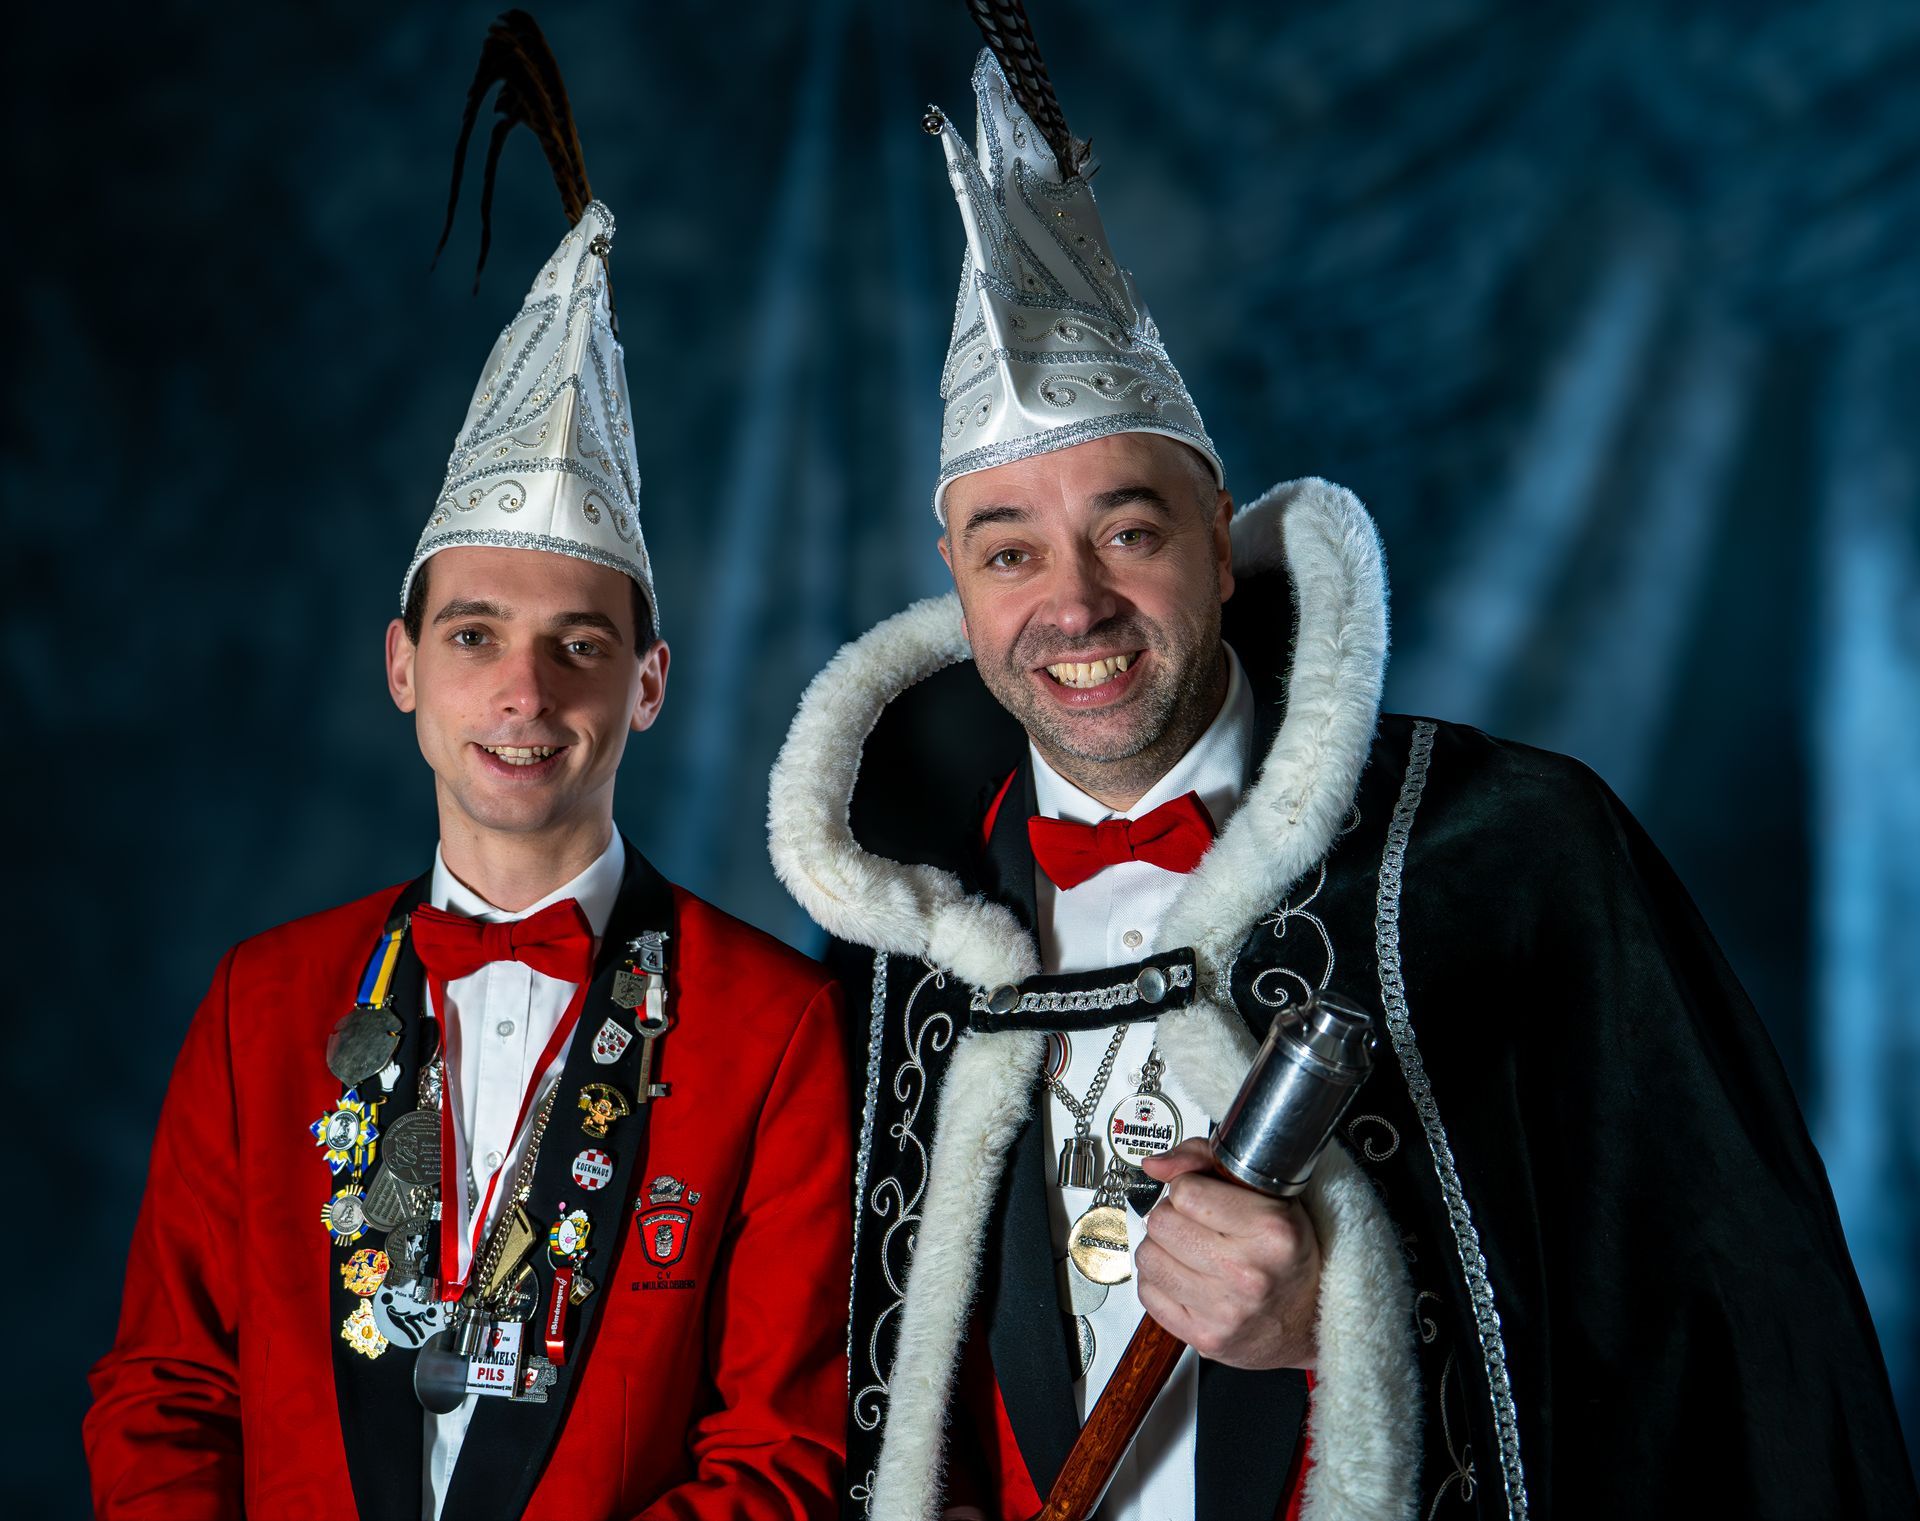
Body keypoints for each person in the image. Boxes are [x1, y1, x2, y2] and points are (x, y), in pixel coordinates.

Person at [766, 45, 1917, 1521]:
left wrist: (1344, 1317)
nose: (1076, 606)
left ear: (1218, 521)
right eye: (1009, 551)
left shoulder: (1516, 855)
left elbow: (1742, 1365)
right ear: (956, 581)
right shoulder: (900, 947)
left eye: (1127, 530)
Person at [85, 16, 849, 1518]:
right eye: (477, 633)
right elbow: (165, 1391)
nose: (521, 689)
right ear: (401, 667)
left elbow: (781, 1462)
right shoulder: (263, 1004)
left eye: (578, 646)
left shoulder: (777, 1026)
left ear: (648, 686)